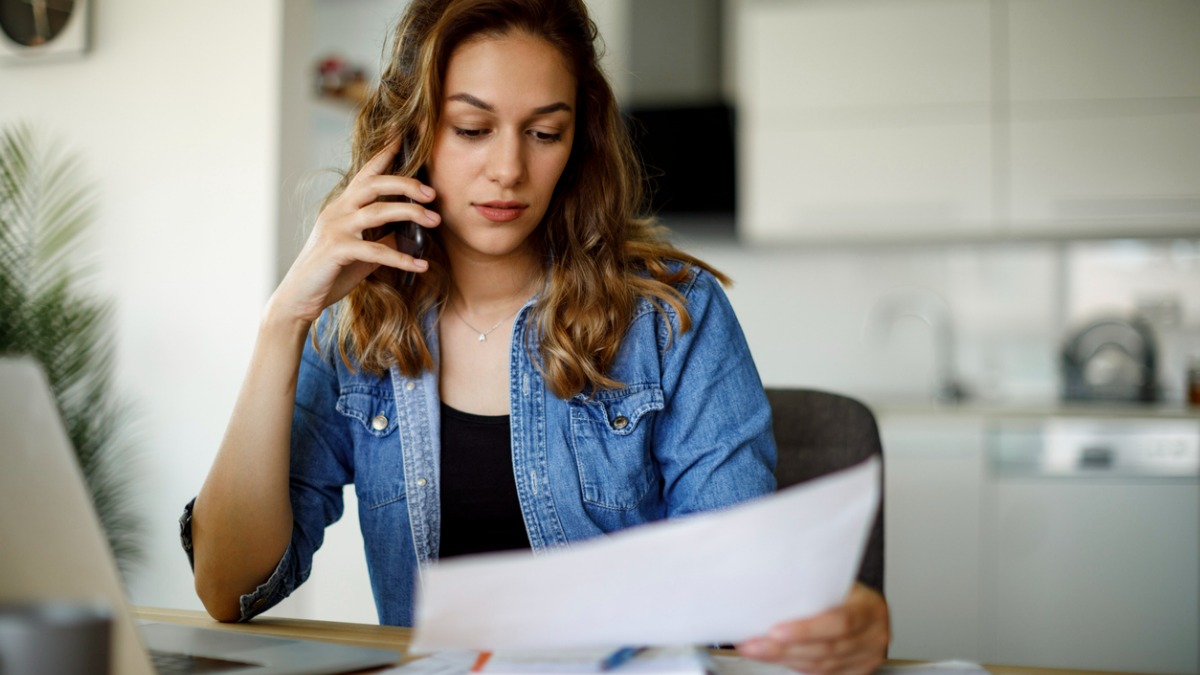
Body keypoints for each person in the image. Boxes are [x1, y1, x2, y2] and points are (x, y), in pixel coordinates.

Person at [183, 0, 889, 672]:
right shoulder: (358, 326)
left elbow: (744, 597)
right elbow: (229, 587)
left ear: (578, 142)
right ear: (411, 133)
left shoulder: (672, 315)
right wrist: (284, 320)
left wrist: (841, 619)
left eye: (544, 132)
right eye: (471, 128)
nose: (509, 169)